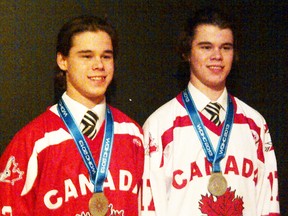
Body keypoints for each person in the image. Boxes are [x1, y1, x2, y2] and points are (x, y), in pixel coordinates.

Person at [141, 7, 280, 216]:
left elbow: (269, 205)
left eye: (226, 48)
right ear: (187, 53)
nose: (217, 56)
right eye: (206, 47)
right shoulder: (159, 126)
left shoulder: (255, 124)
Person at [0, 15, 144, 215]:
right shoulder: (33, 142)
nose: (99, 65)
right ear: (63, 60)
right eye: (86, 56)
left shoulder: (134, 136)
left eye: (106, 56)